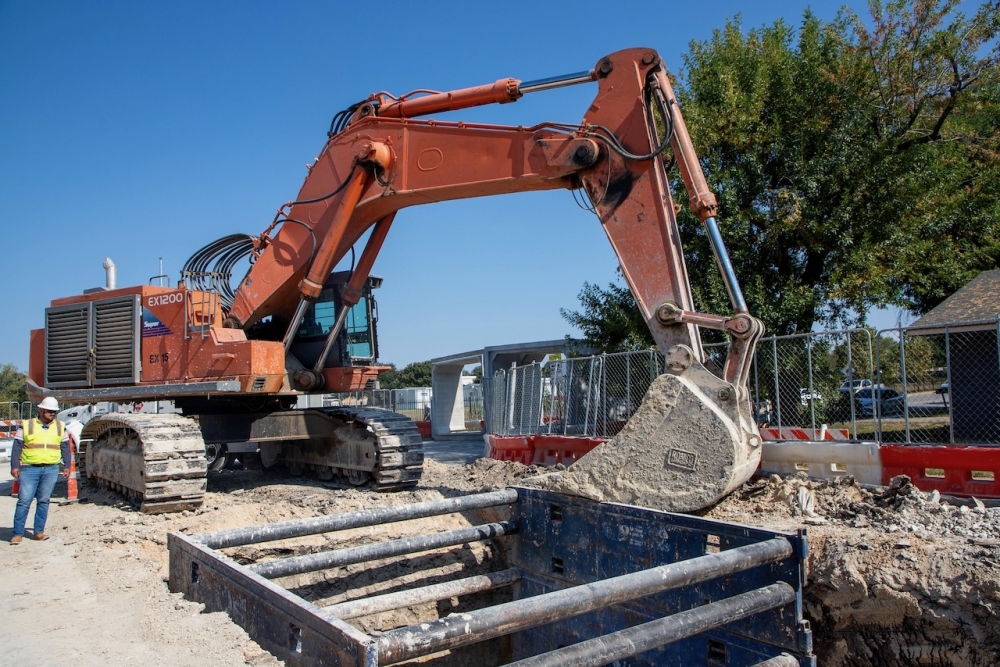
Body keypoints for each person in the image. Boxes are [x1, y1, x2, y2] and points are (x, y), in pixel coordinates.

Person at [10, 396, 70, 544]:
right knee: (24, 501)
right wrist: (15, 466)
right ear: (42, 409)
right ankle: (17, 533)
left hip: (51, 469)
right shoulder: (27, 425)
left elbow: (66, 448)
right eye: (50, 411)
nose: (52, 414)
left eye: (54, 412)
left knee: (44, 501)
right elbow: (16, 447)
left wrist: (67, 466)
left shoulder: (60, 426)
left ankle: (39, 532)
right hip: (29, 469)